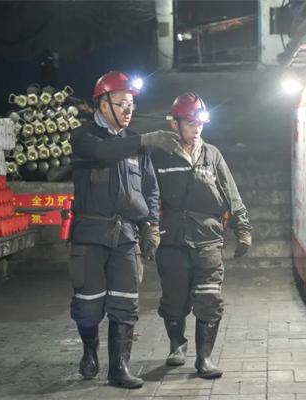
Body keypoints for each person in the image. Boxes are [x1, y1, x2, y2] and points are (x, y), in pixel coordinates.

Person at [68, 70, 180, 389]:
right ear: (103, 104)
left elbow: (150, 188)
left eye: (131, 104)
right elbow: (101, 153)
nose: (128, 110)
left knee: (125, 302)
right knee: (88, 304)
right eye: (122, 103)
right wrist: (143, 140)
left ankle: (119, 368)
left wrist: (152, 225)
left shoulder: (136, 145)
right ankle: (90, 350)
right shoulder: (84, 137)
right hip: (91, 234)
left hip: (126, 236)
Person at [146, 92, 252, 379]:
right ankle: (176, 344)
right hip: (172, 240)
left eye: (200, 124)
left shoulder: (211, 154)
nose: (196, 129)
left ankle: (204, 358)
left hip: (208, 238)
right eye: (190, 123)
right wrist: (148, 229)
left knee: (209, 297)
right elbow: (149, 195)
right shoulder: (159, 156)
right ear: (175, 124)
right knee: (174, 300)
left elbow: (231, 193)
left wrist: (242, 229)